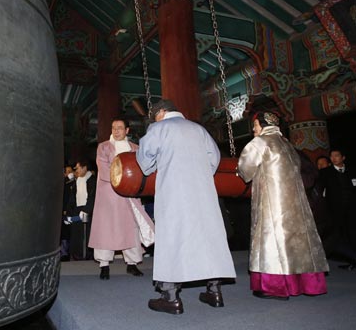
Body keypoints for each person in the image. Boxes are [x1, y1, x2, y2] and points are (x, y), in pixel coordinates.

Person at [136, 99, 235, 315]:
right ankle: (214, 291)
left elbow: (144, 163)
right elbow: (214, 159)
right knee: (208, 237)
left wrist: (156, 165)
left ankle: (170, 297)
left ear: (161, 112)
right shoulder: (199, 129)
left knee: (173, 237)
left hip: (174, 192)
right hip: (202, 193)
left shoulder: (158, 128)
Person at [237, 111, 328, 300]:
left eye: (255, 126)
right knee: (296, 240)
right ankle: (306, 284)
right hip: (294, 201)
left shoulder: (261, 142)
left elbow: (245, 169)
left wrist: (239, 172)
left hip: (272, 200)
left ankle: (275, 286)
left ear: (262, 125)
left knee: (272, 238)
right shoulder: (287, 144)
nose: (254, 130)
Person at [89, 118, 155, 280]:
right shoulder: (103, 147)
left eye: (120, 128)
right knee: (107, 228)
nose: (116, 131)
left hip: (130, 195)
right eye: (113, 128)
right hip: (109, 195)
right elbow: (104, 170)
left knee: (131, 228)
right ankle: (104, 265)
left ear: (127, 131)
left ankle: (132, 264)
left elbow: (143, 170)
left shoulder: (136, 148)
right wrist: (123, 180)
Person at [317, 148, 356, 270]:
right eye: (332, 156)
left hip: (351, 209)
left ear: (343, 157)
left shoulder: (351, 170)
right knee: (335, 234)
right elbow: (320, 190)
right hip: (334, 210)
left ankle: (353, 260)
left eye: (337, 155)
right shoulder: (326, 173)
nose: (334, 158)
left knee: (352, 234)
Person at [65, 159, 96, 260]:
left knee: (88, 235)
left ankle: (88, 256)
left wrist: (87, 210)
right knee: (76, 235)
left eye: (77, 168)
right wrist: (68, 214)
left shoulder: (92, 180)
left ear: (84, 168)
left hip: (88, 211)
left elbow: (93, 197)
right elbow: (72, 199)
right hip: (77, 211)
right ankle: (76, 257)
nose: (76, 170)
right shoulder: (75, 182)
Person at [60, 165, 76, 261]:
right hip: (65, 211)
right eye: (68, 171)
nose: (71, 173)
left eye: (72, 171)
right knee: (64, 233)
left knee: (71, 232)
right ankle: (64, 253)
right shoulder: (64, 183)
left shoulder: (75, 182)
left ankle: (70, 252)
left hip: (73, 211)